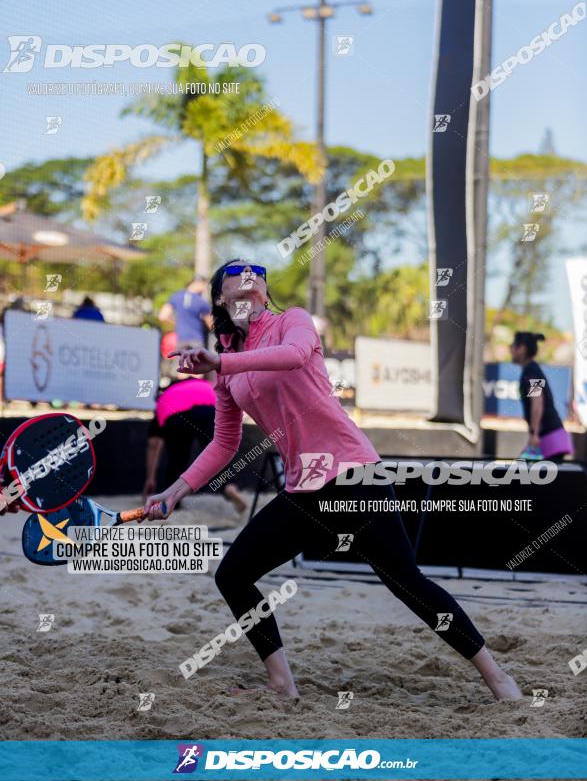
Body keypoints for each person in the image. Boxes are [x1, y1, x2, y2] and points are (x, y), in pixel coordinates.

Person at [144, 259, 522, 702]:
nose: (248, 288)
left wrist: (222, 360)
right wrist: (174, 491)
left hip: (353, 474)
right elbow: (224, 444)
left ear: (265, 294)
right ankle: (282, 684)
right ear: (221, 299)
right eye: (237, 285)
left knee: (405, 581)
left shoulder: (292, 322)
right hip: (304, 489)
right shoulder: (227, 364)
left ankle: (498, 678)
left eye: (256, 283)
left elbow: (295, 356)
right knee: (234, 574)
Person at [143, 374, 247, 514]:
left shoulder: (165, 397)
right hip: (210, 407)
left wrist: (150, 479)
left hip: (175, 415)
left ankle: (173, 502)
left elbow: (153, 445)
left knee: (177, 461)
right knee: (219, 452)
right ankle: (229, 487)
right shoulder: (203, 383)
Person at [510, 331, 573, 462]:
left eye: (513, 345)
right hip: (549, 438)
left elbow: (537, 402)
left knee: (521, 474)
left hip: (550, 439)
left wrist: (534, 434)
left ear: (521, 348)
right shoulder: (531, 370)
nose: (510, 349)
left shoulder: (532, 371)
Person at [159, 276, 213, 348]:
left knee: (181, 358)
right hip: (197, 340)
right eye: (204, 285)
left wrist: (177, 324)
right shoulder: (202, 302)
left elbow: (162, 316)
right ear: (198, 284)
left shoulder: (176, 296)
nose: (204, 289)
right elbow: (211, 324)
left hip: (181, 340)